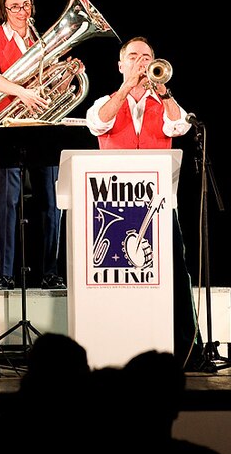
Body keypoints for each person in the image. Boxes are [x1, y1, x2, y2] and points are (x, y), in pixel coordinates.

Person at [84, 36, 206, 370]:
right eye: (134, 57)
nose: (141, 62)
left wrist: (161, 90)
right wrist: (126, 89)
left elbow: (179, 125)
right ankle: (111, 344)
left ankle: (186, 351)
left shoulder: (164, 102)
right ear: (120, 64)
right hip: (113, 210)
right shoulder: (103, 102)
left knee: (176, 275)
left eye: (147, 57)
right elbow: (98, 123)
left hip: (160, 207)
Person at [0, 0, 63, 290]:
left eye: (26, 4)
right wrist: (21, 93)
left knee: (51, 203)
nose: (22, 11)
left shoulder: (42, 39)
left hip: (42, 126)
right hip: (8, 126)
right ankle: (6, 273)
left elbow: (53, 79)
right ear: (3, 8)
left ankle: (50, 272)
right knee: (7, 203)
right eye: (14, 6)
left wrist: (65, 80)